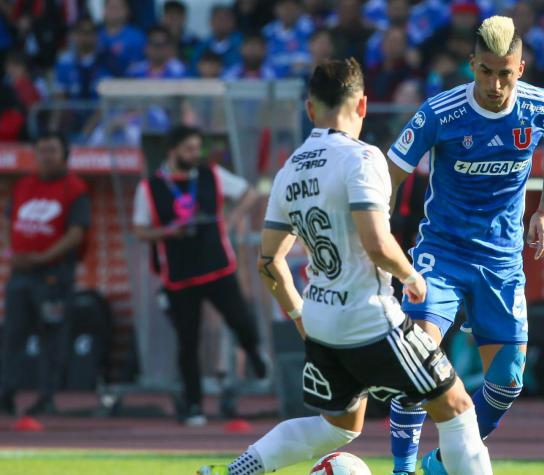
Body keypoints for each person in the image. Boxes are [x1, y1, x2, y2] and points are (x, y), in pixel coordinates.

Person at [196, 58, 493, 475]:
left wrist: (302, 316)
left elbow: (269, 262)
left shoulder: (289, 169)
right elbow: (376, 242)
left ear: (310, 109)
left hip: (321, 320)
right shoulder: (363, 158)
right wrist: (410, 276)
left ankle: (233, 472)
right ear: (363, 105)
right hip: (369, 319)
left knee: (338, 427)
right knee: (458, 407)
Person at [385, 16, 544, 474]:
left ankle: (444, 462)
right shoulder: (439, 113)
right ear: (472, 65)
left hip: (502, 261)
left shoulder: (540, 108)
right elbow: (387, 178)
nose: (494, 83)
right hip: (442, 255)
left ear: (521, 69)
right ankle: (403, 469)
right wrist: (377, 245)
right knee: (417, 364)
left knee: (507, 382)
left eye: (504, 73)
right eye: (485, 71)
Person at [132, 125, 264, 426]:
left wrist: (231, 218)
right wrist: (165, 232)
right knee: (188, 342)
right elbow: (140, 230)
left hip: (216, 265)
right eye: (188, 148)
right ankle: (193, 405)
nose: (195, 154)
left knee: (241, 318)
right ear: (173, 151)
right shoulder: (149, 188)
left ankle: (255, 355)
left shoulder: (212, 175)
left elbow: (250, 193)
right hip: (179, 275)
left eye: (197, 148)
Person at [0, 133, 90, 417]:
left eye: (52, 150)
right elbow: (6, 219)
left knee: (51, 336)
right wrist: (13, 249)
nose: (46, 156)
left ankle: (46, 397)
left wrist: (43, 256)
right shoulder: (25, 184)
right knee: (12, 334)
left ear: (65, 155)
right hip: (21, 273)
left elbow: (76, 233)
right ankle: (5, 393)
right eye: (42, 150)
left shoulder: (74, 188)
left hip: (54, 274)